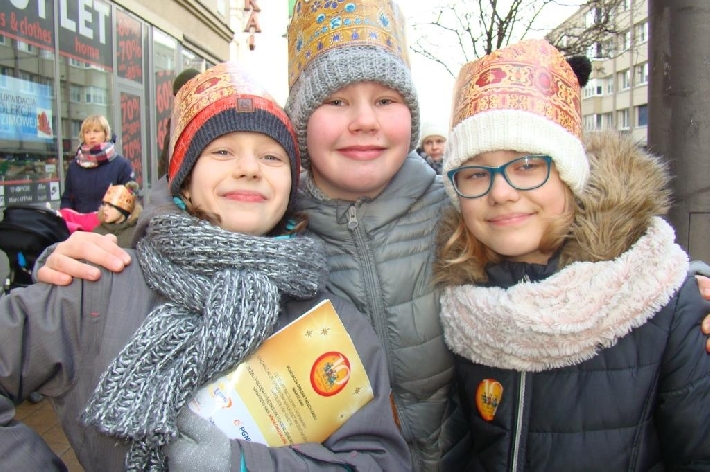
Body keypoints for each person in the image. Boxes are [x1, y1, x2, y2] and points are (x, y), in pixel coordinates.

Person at [31, 0, 710, 469]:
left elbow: (566, 257)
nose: (363, 121)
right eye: (335, 101)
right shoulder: (264, 224)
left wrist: (678, 287)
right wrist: (79, 257)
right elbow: (181, 232)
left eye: (385, 100)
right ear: (301, 124)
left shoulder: (463, 214)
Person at [0, 62, 410, 472]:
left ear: (290, 186)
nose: (249, 168)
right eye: (222, 151)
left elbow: (380, 460)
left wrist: (243, 465)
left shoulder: (332, 324)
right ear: (185, 178)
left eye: (271, 156)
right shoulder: (96, 286)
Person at [435, 39, 710, 470]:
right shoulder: (461, 306)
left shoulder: (663, 301)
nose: (501, 192)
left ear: (569, 176)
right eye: (475, 173)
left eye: (528, 165)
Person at [60, 115, 135, 213]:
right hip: (80, 221)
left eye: (96, 131)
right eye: (87, 132)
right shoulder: (74, 167)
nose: (92, 136)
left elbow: (129, 200)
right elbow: (67, 199)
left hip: (110, 222)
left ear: (105, 134)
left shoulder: (121, 165)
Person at [158, 68, 201, 179]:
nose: (180, 100)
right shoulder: (175, 120)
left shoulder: (210, 117)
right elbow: (166, 159)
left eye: (183, 94)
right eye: (177, 96)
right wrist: (164, 183)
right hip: (175, 183)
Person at [93, 181, 142, 247]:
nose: (105, 209)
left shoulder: (136, 234)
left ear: (123, 210)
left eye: (111, 206)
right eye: (105, 204)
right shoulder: (97, 232)